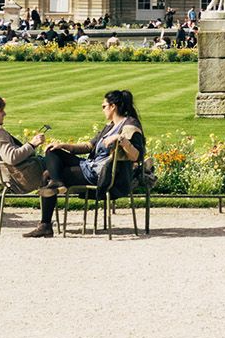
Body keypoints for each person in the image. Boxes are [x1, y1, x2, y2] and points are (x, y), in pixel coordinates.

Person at [27, 89, 146, 237]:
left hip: (103, 174)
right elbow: (89, 146)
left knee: (47, 175)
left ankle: (46, 223)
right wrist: (64, 145)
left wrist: (121, 139)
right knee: (52, 151)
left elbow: (136, 156)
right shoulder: (110, 126)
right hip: (90, 166)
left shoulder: (129, 126)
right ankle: (57, 184)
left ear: (113, 106)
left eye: (104, 106)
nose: (102, 110)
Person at [0, 93, 56, 232]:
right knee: (57, 165)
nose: (4, 114)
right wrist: (32, 144)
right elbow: (11, 157)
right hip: (22, 178)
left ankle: (46, 223)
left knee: (55, 165)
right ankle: (47, 222)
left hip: (1, 176)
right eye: (0, 111)